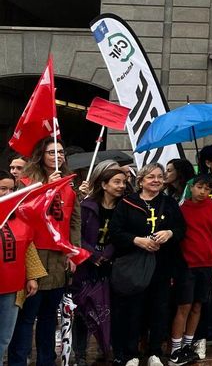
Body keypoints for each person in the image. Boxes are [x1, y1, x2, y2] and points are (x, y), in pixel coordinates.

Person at [11, 137, 79, 366]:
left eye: (61, 152)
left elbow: (75, 221)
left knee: (50, 316)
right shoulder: (27, 182)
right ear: (41, 155)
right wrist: (47, 187)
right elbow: (23, 215)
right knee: (27, 316)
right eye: (52, 152)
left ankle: (46, 360)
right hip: (34, 255)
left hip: (59, 256)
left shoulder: (69, 184)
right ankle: (19, 360)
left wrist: (73, 253)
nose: (57, 156)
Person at [110, 162, 186, 366]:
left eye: (160, 176)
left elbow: (181, 229)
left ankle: (154, 352)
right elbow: (115, 233)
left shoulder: (169, 203)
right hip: (135, 265)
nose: (157, 180)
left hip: (162, 265)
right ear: (141, 180)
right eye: (151, 176)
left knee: (159, 309)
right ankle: (131, 353)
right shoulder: (127, 203)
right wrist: (137, 240)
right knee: (133, 309)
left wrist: (169, 233)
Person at [170, 174, 212, 364]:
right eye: (199, 187)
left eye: (207, 189)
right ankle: (175, 348)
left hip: (206, 265)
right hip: (186, 265)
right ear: (191, 187)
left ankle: (189, 344)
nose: (202, 192)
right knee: (184, 306)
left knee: (198, 306)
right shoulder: (181, 209)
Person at [74, 166, 127, 364]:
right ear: (104, 185)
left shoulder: (125, 207)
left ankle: (108, 349)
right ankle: (80, 353)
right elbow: (76, 234)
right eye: (117, 182)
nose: (121, 186)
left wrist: (108, 252)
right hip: (86, 265)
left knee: (108, 308)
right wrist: (92, 254)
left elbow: (124, 233)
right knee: (83, 309)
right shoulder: (87, 205)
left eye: (123, 182)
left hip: (112, 265)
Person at [0, 188, 47, 360]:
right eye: (2, 188)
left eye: (11, 188)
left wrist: (32, 276)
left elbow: (28, 246)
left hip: (12, 288)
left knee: (4, 338)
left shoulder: (18, 217)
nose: (7, 193)